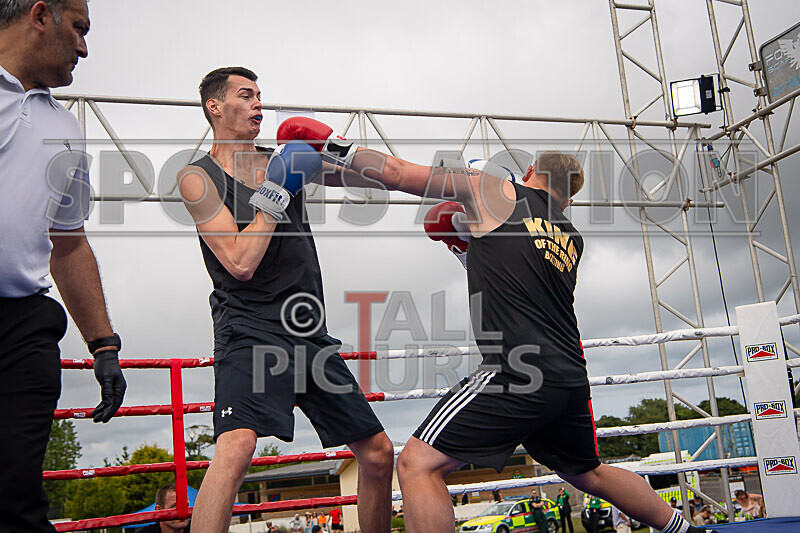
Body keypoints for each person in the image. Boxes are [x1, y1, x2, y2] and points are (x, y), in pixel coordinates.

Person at [312, 133, 721, 533]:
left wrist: (331, 147)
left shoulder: (493, 189)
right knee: (589, 473)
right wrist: (464, 248)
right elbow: (516, 280)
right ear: (569, 200)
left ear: (529, 171)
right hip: (569, 377)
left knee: (417, 464)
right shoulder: (570, 237)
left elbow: (398, 173)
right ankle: (684, 529)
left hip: (518, 371)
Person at [179, 68, 393, 533]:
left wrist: (335, 147)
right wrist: (275, 192)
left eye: (260, 95)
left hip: (306, 330)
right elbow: (239, 262)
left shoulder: (282, 156)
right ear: (215, 107)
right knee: (236, 448)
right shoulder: (197, 178)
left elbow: (375, 181)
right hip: (249, 328)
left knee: (378, 454)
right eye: (245, 95)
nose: (258, 103)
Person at [0, 1, 127, 531]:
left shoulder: (67, 128)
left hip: (22, 327)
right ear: (39, 15)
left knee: (15, 498)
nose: (84, 47)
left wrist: (104, 346)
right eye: (78, 30)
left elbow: (69, 242)